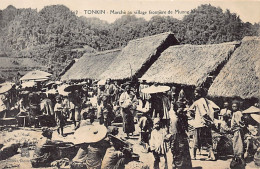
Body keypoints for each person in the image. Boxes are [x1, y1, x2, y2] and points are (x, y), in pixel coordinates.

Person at [188, 87, 219, 160]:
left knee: (196, 140)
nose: (195, 94)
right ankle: (212, 156)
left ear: (200, 93)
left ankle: (193, 156)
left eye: (196, 92)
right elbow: (217, 108)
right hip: (207, 124)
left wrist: (195, 115)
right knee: (208, 140)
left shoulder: (198, 102)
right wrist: (211, 119)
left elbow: (203, 113)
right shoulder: (208, 101)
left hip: (200, 124)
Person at [169, 101, 192, 169]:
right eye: (180, 109)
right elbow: (174, 133)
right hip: (177, 140)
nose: (182, 111)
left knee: (183, 156)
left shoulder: (181, 117)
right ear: (176, 109)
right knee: (179, 156)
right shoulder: (175, 119)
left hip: (182, 139)